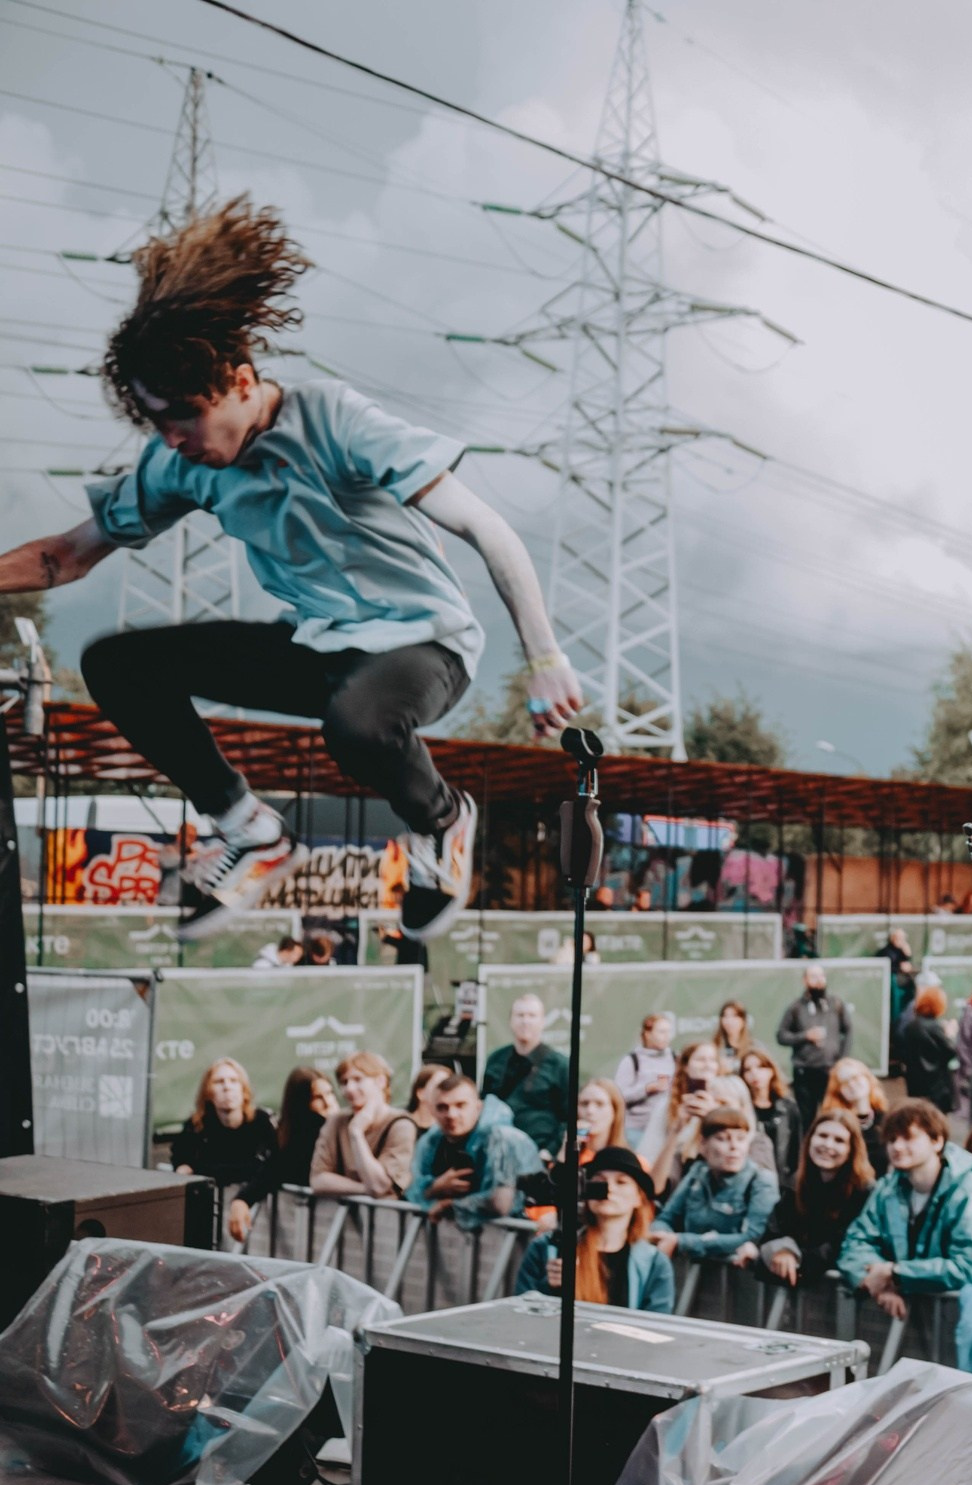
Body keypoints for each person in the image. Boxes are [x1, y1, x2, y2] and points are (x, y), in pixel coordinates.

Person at [3, 200, 581, 939]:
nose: (175, 438)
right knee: (117, 662)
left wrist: (545, 656)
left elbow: (484, 525)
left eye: (186, 414)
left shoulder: (334, 420)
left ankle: (442, 820)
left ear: (242, 381)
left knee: (357, 725)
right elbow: (67, 554)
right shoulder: (179, 465)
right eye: (156, 422)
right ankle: (251, 830)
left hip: (422, 646)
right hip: (317, 646)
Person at [838, 1099, 972, 1323]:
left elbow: (967, 1267)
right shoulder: (888, 1187)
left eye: (908, 1137)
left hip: (965, 1321)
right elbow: (855, 1242)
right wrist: (879, 1284)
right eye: (892, 1139)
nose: (897, 1146)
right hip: (910, 1320)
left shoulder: (969, 1190)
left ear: (937, 1141)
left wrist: (895, 1273)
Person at [513, 1147, 673, 1313]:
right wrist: (550, 1286)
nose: (609, 1188)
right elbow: (522, 1311)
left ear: (639, 1198)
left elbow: (656, 1323)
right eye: (599, 1180)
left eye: (621, 1182)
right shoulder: (546, 1247)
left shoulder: (654, 1263)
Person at [407, 1072, 540, 1230]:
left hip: (521, 1238)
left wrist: (449, 1205)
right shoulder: (431, 1141)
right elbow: (412, 1191)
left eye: (460, 1105)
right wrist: (435, 1187)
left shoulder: (502, 1140)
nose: (451, 1115)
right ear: (432, 1110)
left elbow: (501, 1202)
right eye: (442, 1107)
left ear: (478, 1107)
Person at [759, 1112, 874, 1290]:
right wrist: (781, 1250)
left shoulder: (864, 1192)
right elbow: (773, 1229)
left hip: (839, 1295)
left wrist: (797, 1257)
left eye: (839, 1140)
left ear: (852, 1149)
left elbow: (841, 1245)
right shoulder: (795, 1184)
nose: (828, 1145)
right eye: (822, 1136)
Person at [653, 1106, 779, 1268]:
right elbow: (666, 1218)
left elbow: (753, 1236)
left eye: (741, 1139)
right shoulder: (698, 1172)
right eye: (722, 1138)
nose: (734, 1147)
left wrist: (682, 1241)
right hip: (692, 1276)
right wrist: (661, 1235)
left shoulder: (761, 1181)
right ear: (703, 1145)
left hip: (737, 1282)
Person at [170, 1057, 277, 1245]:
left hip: (258, 1232)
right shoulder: (197, 1126)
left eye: (234, 1081)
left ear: (244, 1090)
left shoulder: (261, 1122)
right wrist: (183, 1167)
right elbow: (180, 1154)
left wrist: (243, 1199)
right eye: (219, 1082)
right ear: (208, 1092)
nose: (227, 1087)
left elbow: (272, 1167)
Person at [308, 1050, 418, 1198]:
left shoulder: (400, 1124)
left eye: (358, 1079)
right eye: (344, 1082)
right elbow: (318, 1180)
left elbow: (380, 1184)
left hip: (385, 1218)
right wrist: (365, 1189)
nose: (349, 1089)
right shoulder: (336, 1121)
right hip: (342, 1218)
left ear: (381, 1081)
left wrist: (356, 1133)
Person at [481, 991, 572, 1160]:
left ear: (543, 1022)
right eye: (520, 1015)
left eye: (532, 1015)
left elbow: (569, 1117)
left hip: (539, 1153)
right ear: (510, 1021)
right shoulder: (496, 1060)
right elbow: (484, 1105)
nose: (525, 1021)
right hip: (498, 1152)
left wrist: (550, 1151)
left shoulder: (560, 1065)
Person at [239, 1063, 336, 1217]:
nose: (328, 1102)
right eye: (318, 1097)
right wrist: (242, 1201)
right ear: (302, 1103)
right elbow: (274, 1169)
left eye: (330, 1093)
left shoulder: (345, 1126)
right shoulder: (301, 1138)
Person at [641, 1039, 725, 1189]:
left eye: (712, 1060)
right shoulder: (668, 1105)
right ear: (686, 1066)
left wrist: (714, 1116)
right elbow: (649, 1150)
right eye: (700, 1059)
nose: (707, 1065)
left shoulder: (729, 1102)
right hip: (677, 1180)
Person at [776, 964, 851, 1122]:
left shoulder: (835, 1004)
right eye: (814, 977)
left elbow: (848, 1031)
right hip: (804, 1072)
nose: (818, 980)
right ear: (805, 980)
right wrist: (805, 1036)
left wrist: (842, 1060)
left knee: (832, 1116)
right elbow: (781, 1036)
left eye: (821, 976)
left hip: (830, 1071)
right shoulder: (795, 1007)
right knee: (806, 1119)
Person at [813, 1056, 891, 1176]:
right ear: (839, 1091)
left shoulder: (888, 1119)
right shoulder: (836, 1125)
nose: (852, 1084)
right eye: (844, 1082)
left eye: (855, 1077)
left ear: (868, 1079)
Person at [896, 984, 964, 1113]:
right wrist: (951, 1035)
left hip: (915, 1083)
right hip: (936, 1086)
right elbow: (951, 1052)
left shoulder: (911, 1026)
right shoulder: (935, 1027)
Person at [738, 1048, 802, 1178]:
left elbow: (797, 1148)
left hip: (783, 1181)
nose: (754, 1073)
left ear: (771, 1071)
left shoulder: (788, 1107)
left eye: (760, 1067)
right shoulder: (740, 1108)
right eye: (748, 1070)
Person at [614, 1012, 677, 1138]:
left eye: (669, 1032)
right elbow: (618, 1097)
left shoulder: (676, 1058)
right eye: (661, 1032)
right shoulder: (632, 1060)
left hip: (667, 1129)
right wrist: (647, 1089)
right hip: (637, 1130)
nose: (666, 1036)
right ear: (647, 1034)